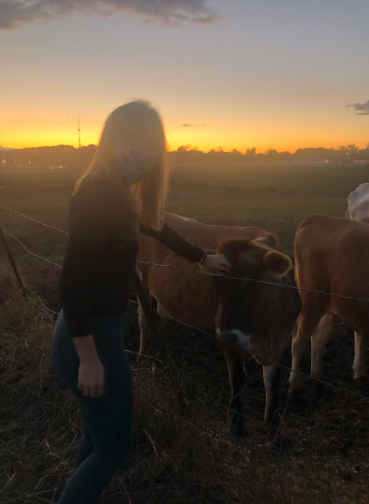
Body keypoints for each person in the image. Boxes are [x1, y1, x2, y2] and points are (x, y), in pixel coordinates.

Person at [51, 100, 231, 503]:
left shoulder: (118, 193)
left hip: (96, 333)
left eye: (148, 144)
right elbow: (71, 281)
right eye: (129, 141)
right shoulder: (97, 196)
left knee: (96, 439)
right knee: (113, 450)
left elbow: (156, 225)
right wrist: (90, 357)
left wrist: (202, 257)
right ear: (110, 141)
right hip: (90, 338)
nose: (138, 152)